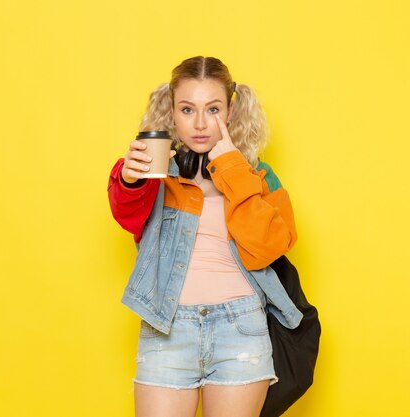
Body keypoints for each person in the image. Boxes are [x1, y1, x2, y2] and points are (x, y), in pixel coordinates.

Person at [108, 56, 302, 417]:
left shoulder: (257, 175)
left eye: (212, 109)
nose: (199, 123)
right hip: (166, 325)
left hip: (240, 328)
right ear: (172, 112)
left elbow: (270, 246)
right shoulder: (154, 172)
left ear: (230, 111)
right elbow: (127, 214)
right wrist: (129, 179)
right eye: (187, 109)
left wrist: (231, 168)